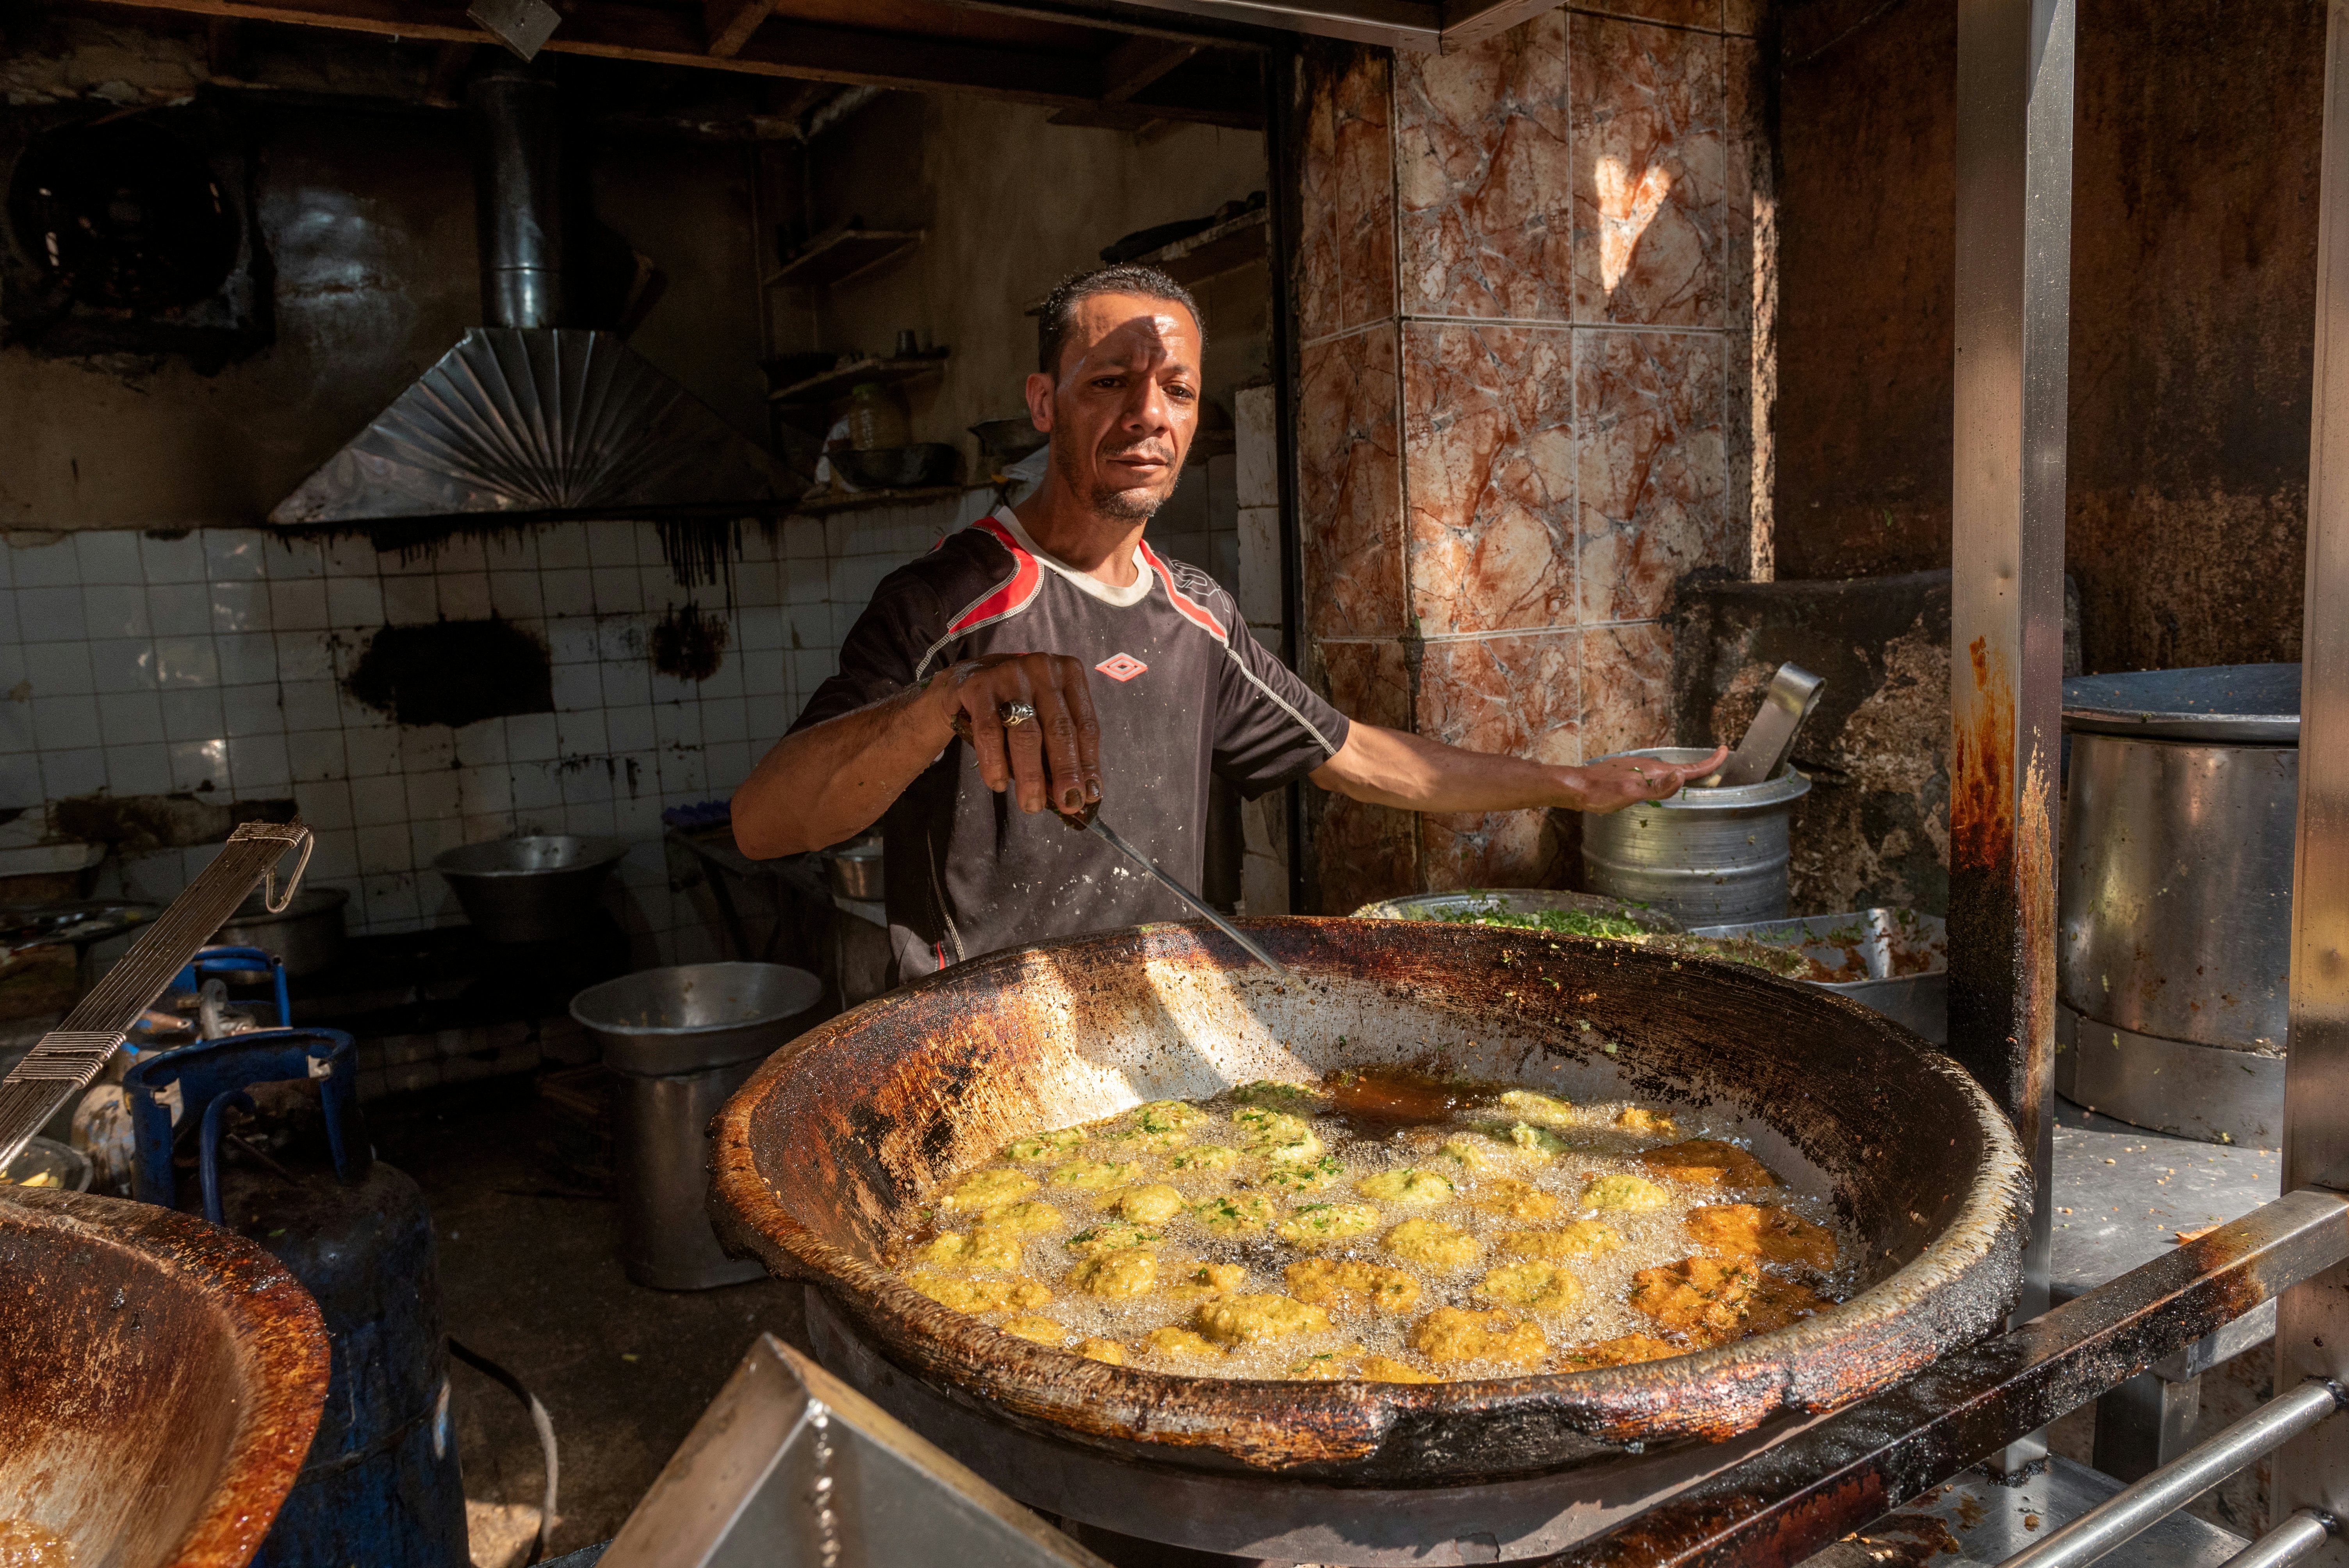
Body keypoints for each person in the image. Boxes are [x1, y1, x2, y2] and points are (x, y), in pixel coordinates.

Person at [732, 264, 1725, 982]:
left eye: (1175, 390)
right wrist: (941, 702)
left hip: (1162, 1038)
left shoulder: (1194, 614)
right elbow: (765, 822)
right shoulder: (944, 601)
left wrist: (1568, 784)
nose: (1146, 416)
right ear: (1043, 402)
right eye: (1108, 383)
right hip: (983, 1047)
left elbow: (1356, 755)